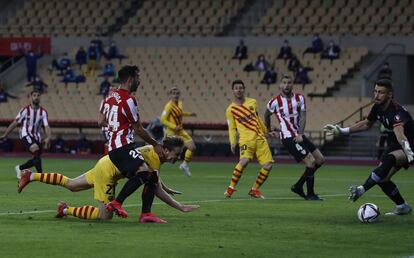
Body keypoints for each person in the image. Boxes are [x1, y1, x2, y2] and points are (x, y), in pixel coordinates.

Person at [17, 136, 199, 222]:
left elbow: (153, 178)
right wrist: (180, 207)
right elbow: (153, 185)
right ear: (166, 151)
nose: (177, 158)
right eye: (176, 154)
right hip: (108, 173)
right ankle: (65, 210)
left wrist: (162, 185)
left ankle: (31, 175)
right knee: (105, 216)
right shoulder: (153, 156)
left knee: (72, 184)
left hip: (105, 163)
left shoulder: (153, 152)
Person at [324, 79, 414, 215]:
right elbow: (367, 123)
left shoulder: (396, 111)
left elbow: (400, 133)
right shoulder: (377, 107)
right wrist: (342, 130)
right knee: (382, 178)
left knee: (388, 160)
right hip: (395, 145)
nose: (376, 95)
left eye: (381, 92)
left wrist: (405, 146)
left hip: (409, 146)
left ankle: (361, 189)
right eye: (375, 91)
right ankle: (402, 206)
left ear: (389, 94)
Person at [98, 65, 164, 204]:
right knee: (145, 172)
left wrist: (115, 127)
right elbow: (138, 129)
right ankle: (117, 203)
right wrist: (155, 144)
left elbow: (101, 121)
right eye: (137, 78)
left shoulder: (110, 97)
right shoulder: (129, 100)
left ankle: (146, 214)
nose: (139, 81)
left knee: (151, 176)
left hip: (113, 147)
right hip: (123, 146)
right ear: (130, 79)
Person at [265, 75, 325, 200]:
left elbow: (303, 117)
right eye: (284, 83)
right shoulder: (274, 102)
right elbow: (266, 115)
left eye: (289, 82)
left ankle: (298, 186)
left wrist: (300, 134)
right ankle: (310, 194)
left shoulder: (300, 98)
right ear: (280, 85)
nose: (286, 85)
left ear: (293, 84)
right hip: (288, 137)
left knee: (320, 160)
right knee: (311, 161)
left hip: (299, 135)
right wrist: (269, 130)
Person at [224, 80, 274, 199]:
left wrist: (266, 132)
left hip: (260, 137)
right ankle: (230, 188)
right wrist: (232, 142)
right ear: (233, 90)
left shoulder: (253, 102)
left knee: (268, 164)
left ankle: (254, 190)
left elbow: (258, 119)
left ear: (244, 89)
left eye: (241, 87)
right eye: (236, 88)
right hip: (246, 139)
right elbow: (231, 128)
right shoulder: (230, 109)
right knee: (244, 161)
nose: (239, 90)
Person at [0, 90, 51, 179]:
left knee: (36, 157)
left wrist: (48, 137)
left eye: (38, 95)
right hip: (25, 133)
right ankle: (41, 175)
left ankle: (20, 168)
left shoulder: (43, 112)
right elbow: (15, 123)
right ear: (31, 97)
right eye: (34, 95)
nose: (36, 97)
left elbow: (46, 126)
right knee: (35, 149)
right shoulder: (25, 110)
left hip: (37, 136)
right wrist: (5, 135)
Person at [160, 87, 197, 176]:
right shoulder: (168, 106)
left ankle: (184, 165)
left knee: (192, 147)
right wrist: (174, 126)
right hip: (171, 132)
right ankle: (155, 168)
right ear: (170, 95)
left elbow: (179, 113)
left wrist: (189, 114)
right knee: (166, 155)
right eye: (173, 93)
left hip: (180, 131)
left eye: (177, 93)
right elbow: (163, 120)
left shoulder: (179, 104)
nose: (175, 95)